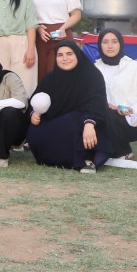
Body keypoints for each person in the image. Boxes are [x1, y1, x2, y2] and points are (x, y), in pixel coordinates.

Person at [27, 39, 111, 173]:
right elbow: (36, 98)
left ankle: (86, 159)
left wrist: (90, 122)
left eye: (69, 54)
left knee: (70, 123)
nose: (65, 58)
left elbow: (97, 102)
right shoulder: (51, 78)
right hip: (55, 118)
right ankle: (52, 158)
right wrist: (34, 114)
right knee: (34, 131)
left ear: (77, 54)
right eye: (60, 55)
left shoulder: (91, 75)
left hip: (85, 119)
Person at [92, 28, 137, 168]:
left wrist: (131, 109)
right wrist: (106, 106)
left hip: (130, 121)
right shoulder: (94, 69)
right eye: (105, 42)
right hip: (102, 118)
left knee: (109, 115)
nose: (110, 46)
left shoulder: (136, 67)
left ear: (120, 44)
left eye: (114, 42)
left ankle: (123, 151)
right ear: (100, 45)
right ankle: (115, 152)